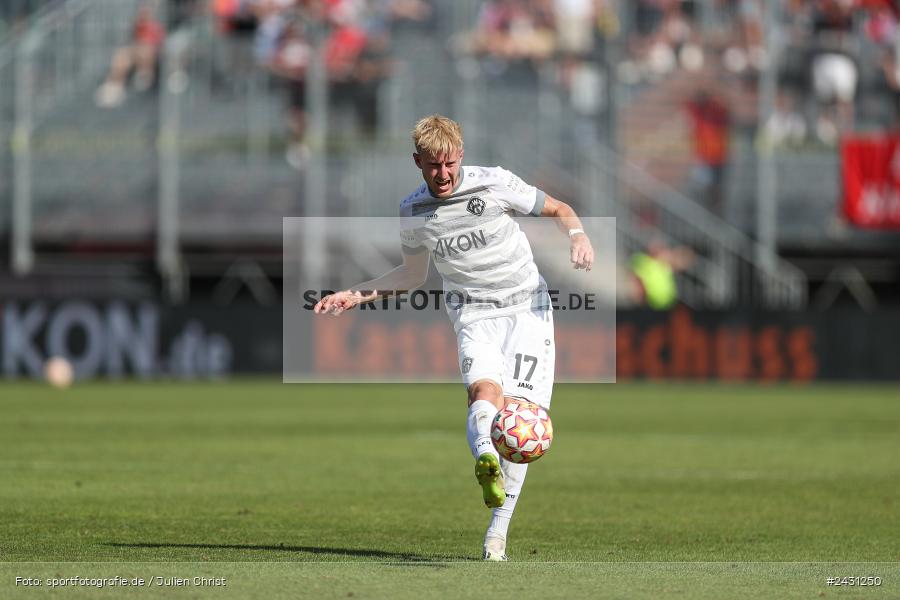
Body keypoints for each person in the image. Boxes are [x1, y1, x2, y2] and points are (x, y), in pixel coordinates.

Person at [313, 115, 594, 561]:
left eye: (448, 164)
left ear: (459, 155)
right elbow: (411, 275)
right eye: (432, 166)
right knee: (484, 395)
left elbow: (560, 209)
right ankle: (484, 456)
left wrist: (579, 238)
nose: (442, 175)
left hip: (528, 311)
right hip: (474, 314)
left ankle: (496, 535)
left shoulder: (494, 184)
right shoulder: (412, 211)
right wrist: (355, 294)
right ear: (417, 162)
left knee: (523, 424)